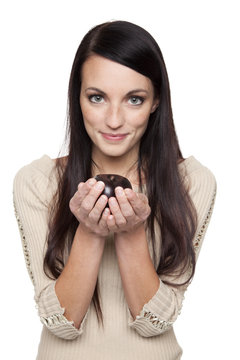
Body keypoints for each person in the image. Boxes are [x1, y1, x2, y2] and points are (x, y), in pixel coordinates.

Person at [13, 20, 217, 360]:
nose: (113, 120)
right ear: (77, 98)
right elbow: (60, 323)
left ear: (155, 103)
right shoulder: (38, 182)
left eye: (134, 100)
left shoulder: (191, 182)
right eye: (97, 97)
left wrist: (130, 232)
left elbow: (156, 322)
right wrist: (91, 233)